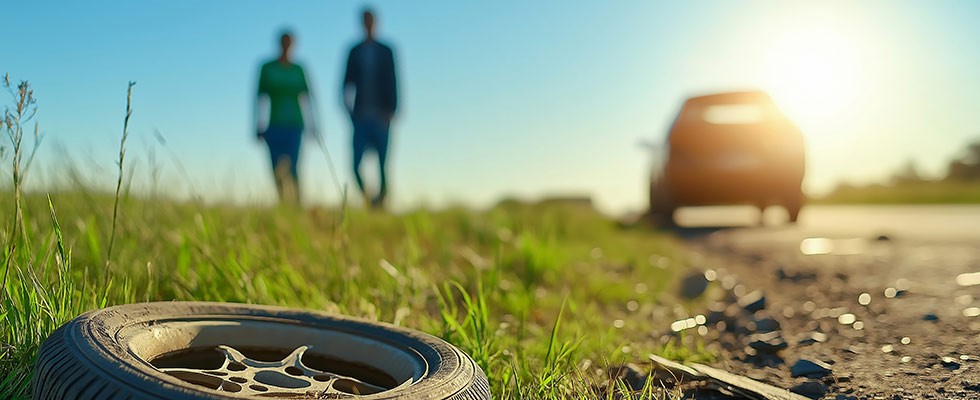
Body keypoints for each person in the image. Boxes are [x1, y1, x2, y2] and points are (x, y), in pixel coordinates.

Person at [343, 8, 398, 209]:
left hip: (381, 116)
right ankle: (368, 199)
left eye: (371, 20)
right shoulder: (354, 51)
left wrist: (391, 111)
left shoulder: (386, 50)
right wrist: (350, 113)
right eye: (365, 20)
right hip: (361, 117)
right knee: (355, 164)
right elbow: (345, 85)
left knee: (383, 164)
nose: (368, 23)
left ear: (376, 22)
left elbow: (394, 81)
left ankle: (382, 203)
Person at [256, 30, 318, 205]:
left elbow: (308, 98)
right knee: (276, 168)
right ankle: (283, 203)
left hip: (295, 125)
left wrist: (313, 124)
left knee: (294, 167)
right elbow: (260, 98)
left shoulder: (298, 69)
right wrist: (258, 124)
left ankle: (297, 204)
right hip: (274, 124)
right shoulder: (267, 68)